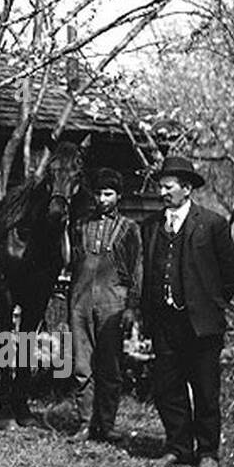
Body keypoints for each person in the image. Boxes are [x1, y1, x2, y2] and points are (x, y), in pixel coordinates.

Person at [140, 155, 234, 467]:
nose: (162, 192)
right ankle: (178, 447)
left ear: (186, 189)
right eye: (160, 187)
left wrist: (211, 303)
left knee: (205, 388)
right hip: (164, 322)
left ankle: (208, 451)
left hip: (201, 324)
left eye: (168, 187)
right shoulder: (152, 226)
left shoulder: (212, 224)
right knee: (167, 387)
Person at [68, 167, 143, 442]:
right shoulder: (80, 226)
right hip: (80, 303)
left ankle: (107, 425)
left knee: (110, 366)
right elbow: (71, 260)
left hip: (113, 304)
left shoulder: (129, 229)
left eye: (108, 193)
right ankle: (86, 422)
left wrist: (132, 307)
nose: (102, 199)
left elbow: (137, 270)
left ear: (119, 196)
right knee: (81, 365)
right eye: (98, 193)